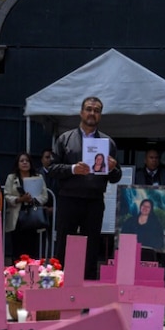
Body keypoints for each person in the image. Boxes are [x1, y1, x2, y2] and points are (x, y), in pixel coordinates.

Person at [48, 96, 122, 280]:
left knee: (91, 246)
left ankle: (88, 288)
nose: (92, 113)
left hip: (94, 201)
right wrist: (73, 169)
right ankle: (59, 285)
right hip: (69, 199)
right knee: (64, 243)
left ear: (100, 115)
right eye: (89, 109)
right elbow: (52, 169)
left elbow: (116, 177)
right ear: (81, 112)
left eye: (96, 110)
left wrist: (113, 168)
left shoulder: (108, 143)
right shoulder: (65, 139)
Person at [3, 152, 50, 260]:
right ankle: (16, 273)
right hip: (17, 216)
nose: (25, 163)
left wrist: (33, 200)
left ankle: (31, 272)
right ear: (17, 163)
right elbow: (7, 195)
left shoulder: (38, 177)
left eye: (27, 161)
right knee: (17, 247)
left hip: (33, 215)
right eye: (22, 161)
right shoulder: (11, 177)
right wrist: (19, 199)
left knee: (32, 247)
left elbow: (44, 196)